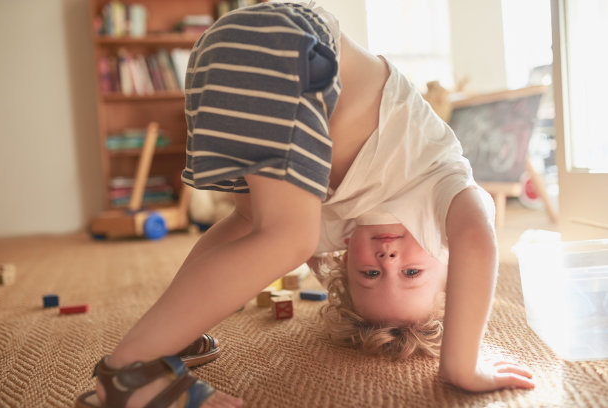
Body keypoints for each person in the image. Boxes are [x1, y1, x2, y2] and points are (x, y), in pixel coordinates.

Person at [76, 2, 534, 407]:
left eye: (370, 275)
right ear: (446, 264)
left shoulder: (332, 230)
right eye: (412, 274)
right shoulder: (441, 188)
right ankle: (131, 372)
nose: (389, 260)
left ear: (343, 265)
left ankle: (172, 332)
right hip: (290, 43)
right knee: (285, 240)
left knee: (252, 222)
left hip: (215, 57)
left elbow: (244, 236)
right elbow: (478, 239)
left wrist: (185, 317)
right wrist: (462, 364)